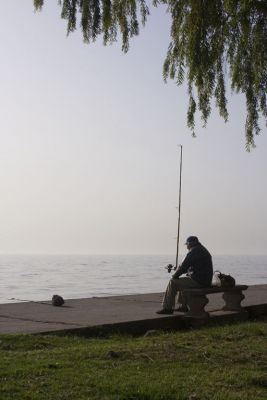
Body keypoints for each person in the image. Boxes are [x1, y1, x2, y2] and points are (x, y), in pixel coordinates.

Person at [156, 236, 213, 314]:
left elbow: (184, 266)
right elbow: (190, 266)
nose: (186, 246)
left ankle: (167, 308)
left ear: (190, 244)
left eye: (187, 244)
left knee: (173, 282)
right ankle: (183, 306)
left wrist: (174, 276)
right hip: (205, 280)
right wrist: (180, 270)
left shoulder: (194, 251)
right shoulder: (202, 249)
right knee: (182, 281)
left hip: (199, 281)